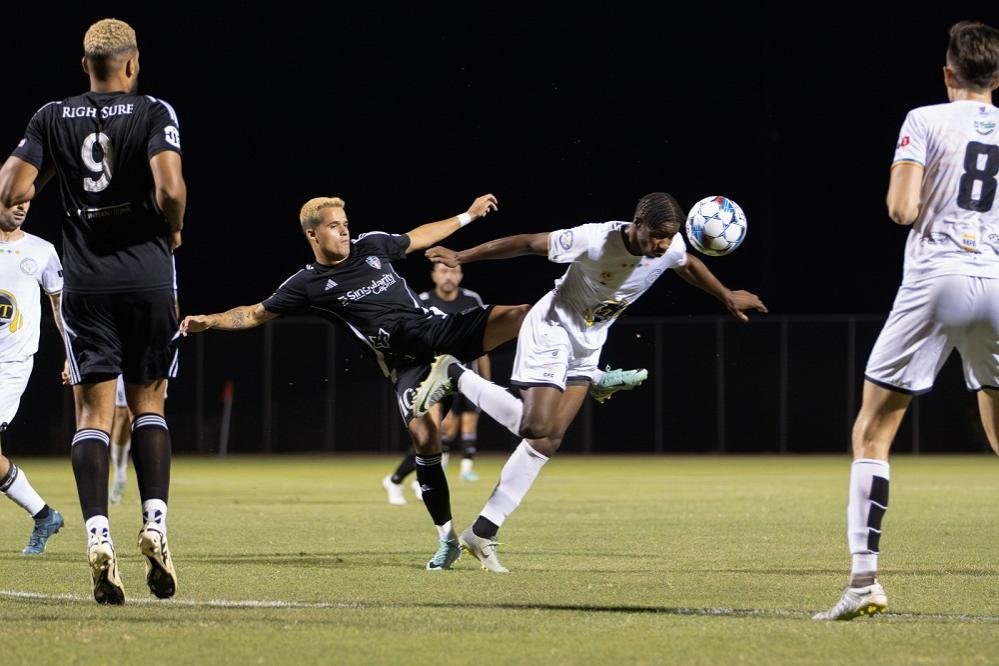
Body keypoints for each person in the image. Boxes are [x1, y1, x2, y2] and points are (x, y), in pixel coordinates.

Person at [413, 192, 767, 572]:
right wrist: (462, 257)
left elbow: (687, 262)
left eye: (669, 237)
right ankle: (454, 372)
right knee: (535, 425)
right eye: (658, 236)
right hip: (552, 328)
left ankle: (482, 532)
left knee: (547, 441)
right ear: (638, 223)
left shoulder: (669, 245)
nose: (664, 245)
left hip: (589, 340)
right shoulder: (596, 239)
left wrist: (726, 295)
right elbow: (528, 243)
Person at [180, 193, 532, 571]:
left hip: (435, 332)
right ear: (313, 235)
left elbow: (420, 236)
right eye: (334, 226)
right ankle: (447, 539)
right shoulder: (307, 284)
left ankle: (581, 375)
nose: (345, 230)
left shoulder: (373, 246)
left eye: (345, 223)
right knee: (426, 441)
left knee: (523, 315)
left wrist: (468, 215)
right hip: (405, 366)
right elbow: (253, 314)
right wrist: (210, 321)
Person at [813, 21, 999, 621]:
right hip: (996, 282)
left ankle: (864, 582)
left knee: (872, 433)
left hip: (936, 279)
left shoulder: (924, 119)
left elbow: (901, 209)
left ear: (948, 74)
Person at [0, 18, 187, 604]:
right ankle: (154, 525)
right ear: (131, 65)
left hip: (86, 284)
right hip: (149, 277)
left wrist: (58, 173)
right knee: (149, 402)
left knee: (92, 415)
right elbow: (171, 190)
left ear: (85, 66)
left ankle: (97, 534)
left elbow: (11, 188)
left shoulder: (52, 116)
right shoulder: (155, 110)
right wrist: (173, 230)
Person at [0, 200, 66, 555]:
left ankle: (44, 516)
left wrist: (72, 355)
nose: (21, 207)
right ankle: (45, 516)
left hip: (11, 364)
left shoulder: (42, 251)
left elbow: (60, 310)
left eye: (26, 201)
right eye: (12, 200)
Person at [108, 376, 131, 505]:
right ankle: (119, 475)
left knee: (151, 410)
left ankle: (153, 490)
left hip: (151, 358)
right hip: (123, 364)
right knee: (122, 417)